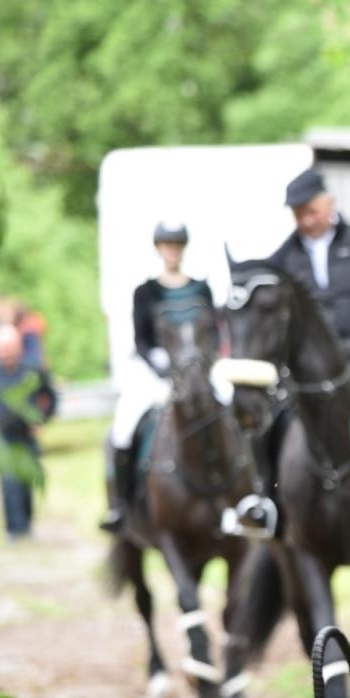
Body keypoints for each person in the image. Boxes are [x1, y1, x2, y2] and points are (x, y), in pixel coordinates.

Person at [100, 221, 215, 534]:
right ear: (158, 249)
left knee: (234, 411)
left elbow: (213, 333)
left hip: (197, 372)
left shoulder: (201, 288)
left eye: (176, 245)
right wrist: (162, 367)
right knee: (123, 428)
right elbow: (142, 340)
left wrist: (204, 365)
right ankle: (121, 505)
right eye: (166, 245)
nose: (171, 251)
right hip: (158, 373)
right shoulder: (146, 292)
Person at [266, 169, 350, 376]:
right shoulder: (282, 258)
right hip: (308, 369)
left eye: (312, 212)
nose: (306, 221)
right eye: (298, 214)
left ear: (330, 203)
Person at [0, 323, 57, 540]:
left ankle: (27, 525)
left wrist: (43, 419)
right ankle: (13, 529)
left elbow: (51, 397)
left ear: (18, 347)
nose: (4, 353)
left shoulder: (32, 369)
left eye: (8, 348)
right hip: (3, 436)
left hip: (27, 435)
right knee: (9, 482)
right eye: (0, 348)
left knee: (26, 481)